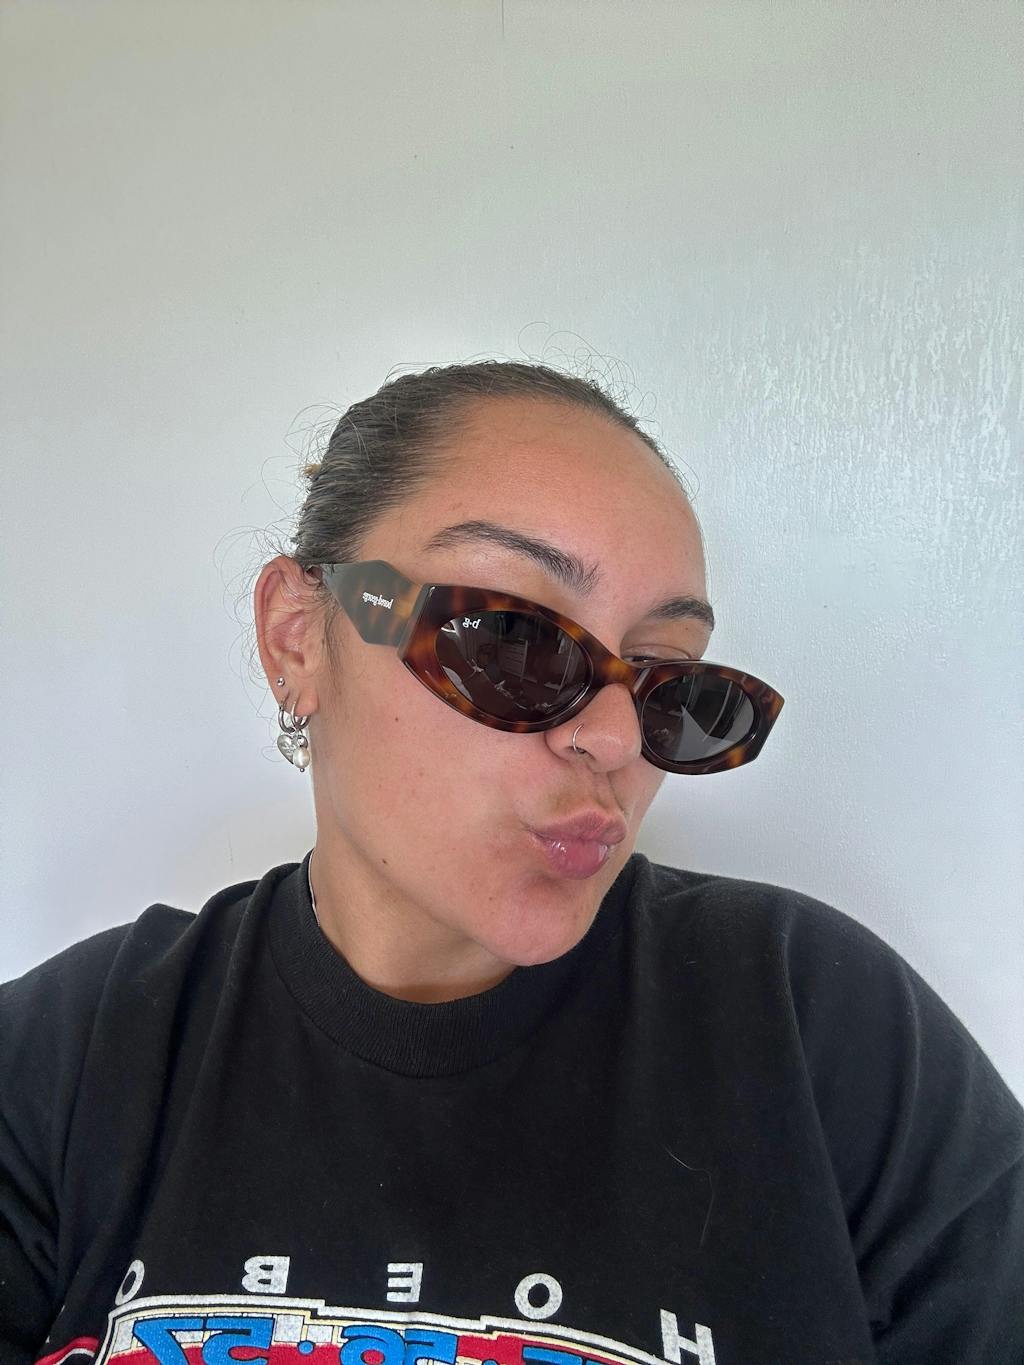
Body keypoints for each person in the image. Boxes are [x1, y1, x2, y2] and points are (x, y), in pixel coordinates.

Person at [1, 361, 1021, 1365]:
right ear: (299, 635)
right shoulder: (71, 1060)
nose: (614, 739)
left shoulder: (820, 1025)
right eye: (511, 639)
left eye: (668, 679)